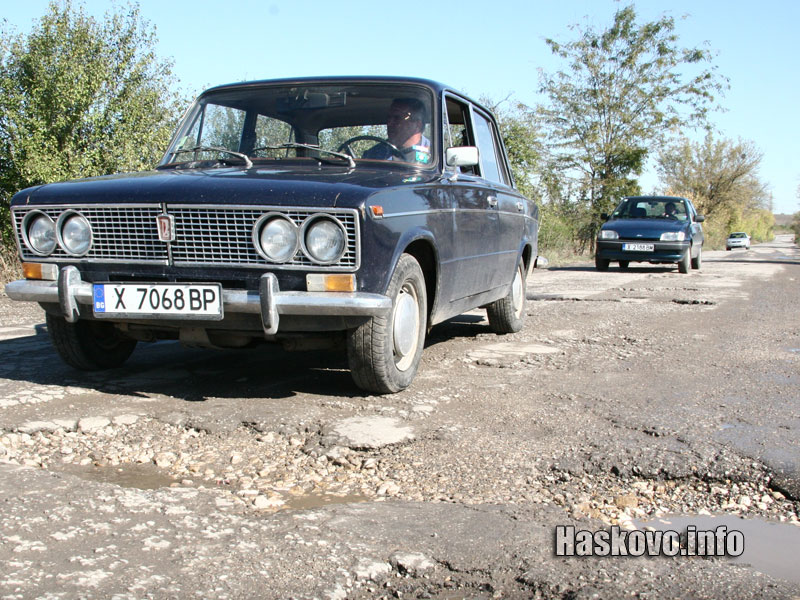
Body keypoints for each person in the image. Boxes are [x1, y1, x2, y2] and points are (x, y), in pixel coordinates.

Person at [363, 98, 431, 164]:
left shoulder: (434, 155)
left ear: (417, 125)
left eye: (397, 118)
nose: (389, 123)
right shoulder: (374, 154)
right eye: (389, 118)